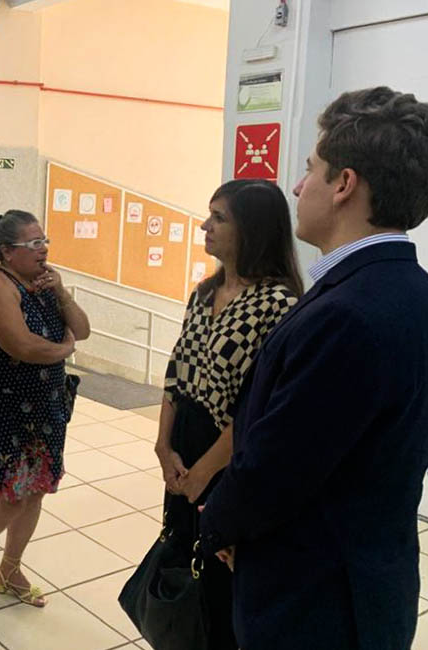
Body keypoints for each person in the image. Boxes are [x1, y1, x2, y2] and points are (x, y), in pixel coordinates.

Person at [199, 87, 428, 650]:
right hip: (372, 575)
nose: (297, 186)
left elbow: (280, 464)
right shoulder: (422, 295)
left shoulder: (348, 313)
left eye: (310, 168)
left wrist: (218, 523)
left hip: (315, 597)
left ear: (344, 184)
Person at [152, 179, 301, 649]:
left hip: (231, 456)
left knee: (220, 576)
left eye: (219, 218)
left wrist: (202, 474)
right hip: (186, 442)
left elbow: (259, 408)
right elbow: (177, 371)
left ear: (252, 229)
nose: (205, 226)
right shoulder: (204, 292)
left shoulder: (278, 306)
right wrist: (163, 446)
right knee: (181, 555)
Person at [0, 210, 90, 613]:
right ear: (8, 252)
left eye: (45, 241)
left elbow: (82, 329)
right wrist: (64, 349)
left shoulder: (45, 283)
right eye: (35, 243)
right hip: (4, 405)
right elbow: (22, 346)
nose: (44, 250)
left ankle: (9, 570)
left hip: (46, 401)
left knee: (37, 488)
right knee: (12, 494)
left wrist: (62, 293)